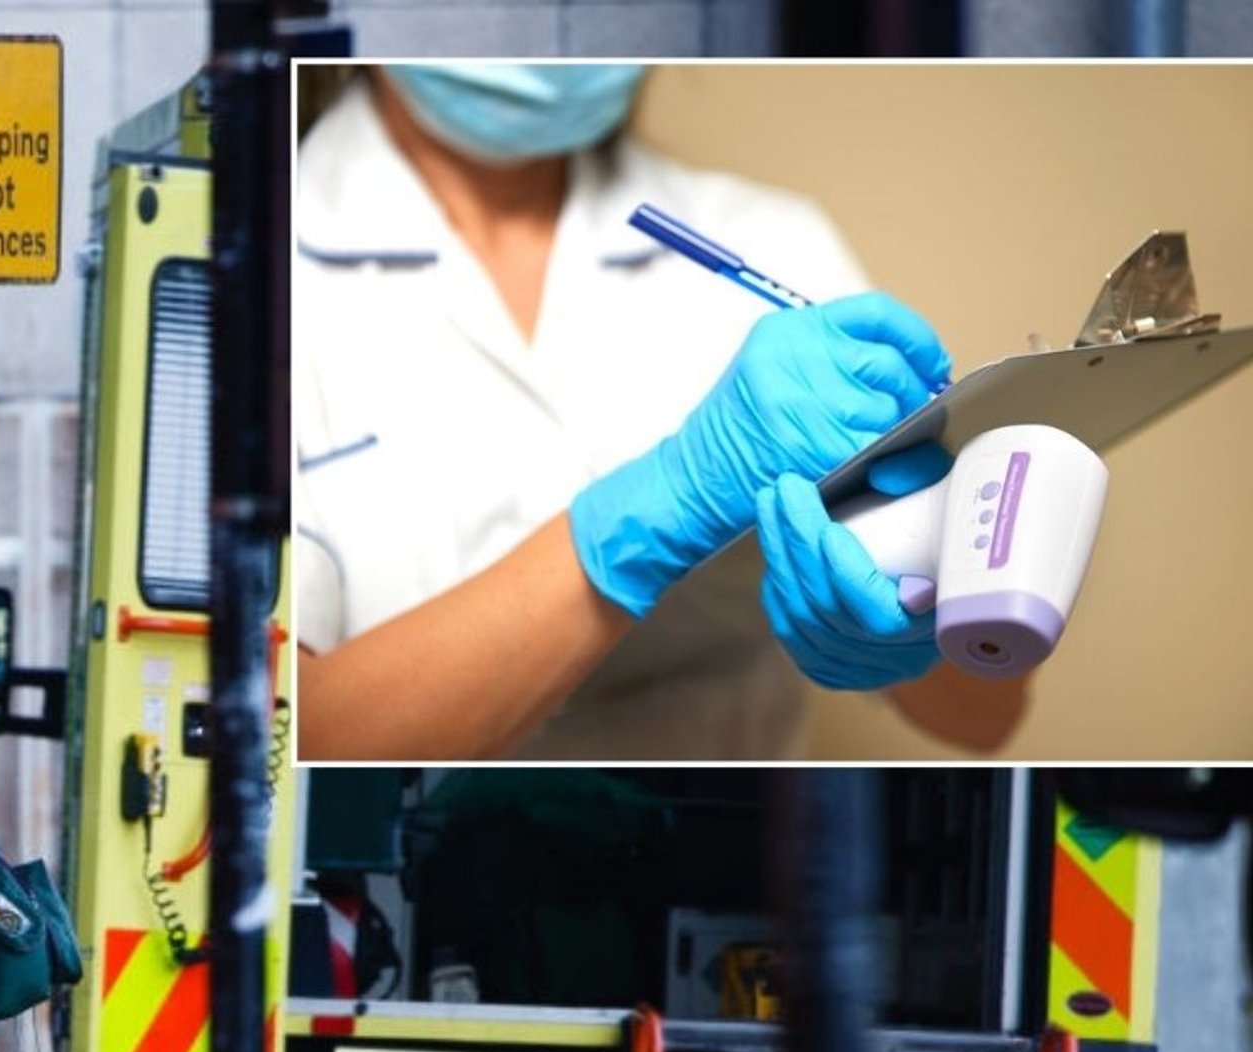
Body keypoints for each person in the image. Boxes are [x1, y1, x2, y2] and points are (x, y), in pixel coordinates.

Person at [294, 64, 1028, 759]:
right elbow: (273, 749)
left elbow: (989, 715)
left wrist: (917, 636)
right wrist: (661, 507)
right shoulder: (229, 260)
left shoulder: (772, 236)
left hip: (732, 848)